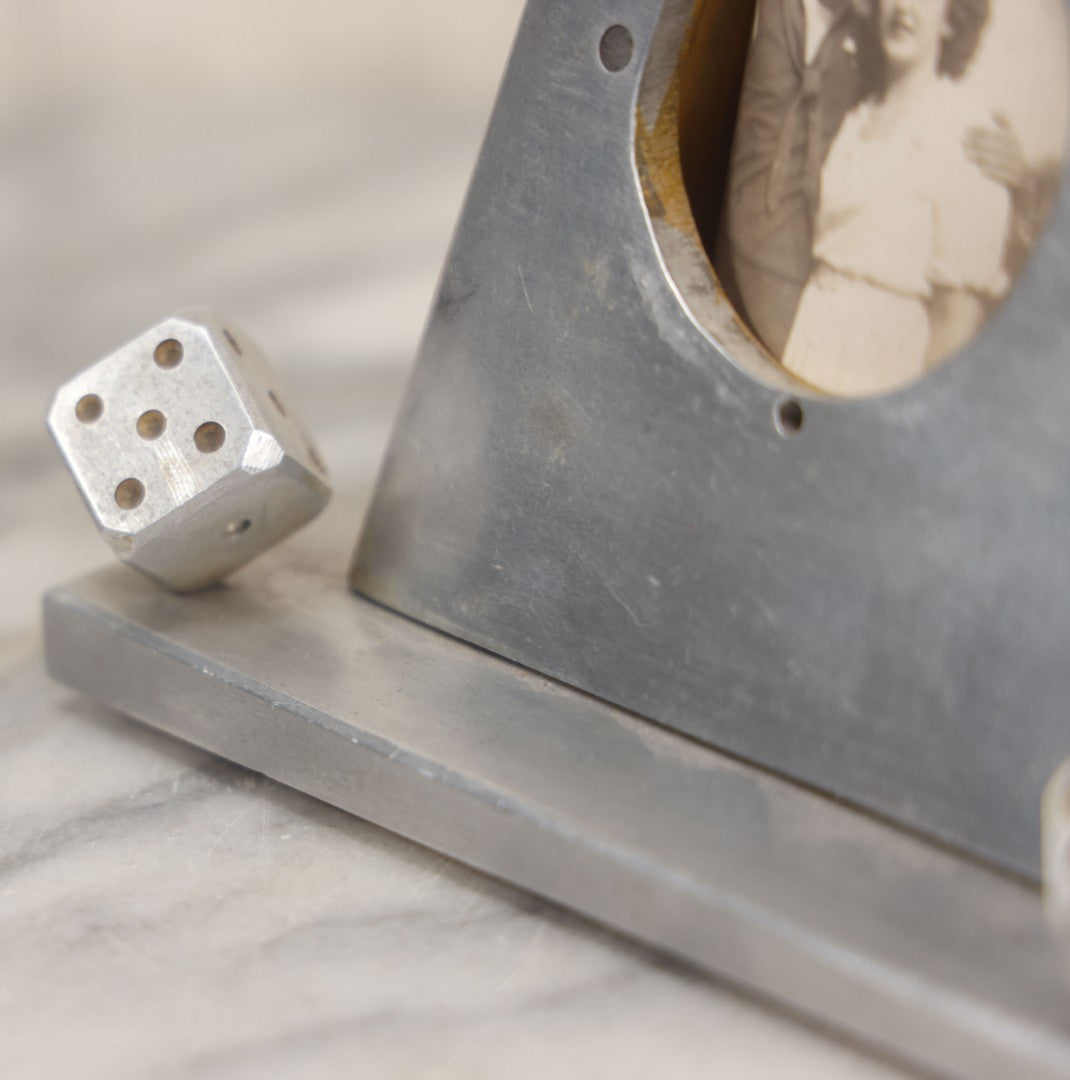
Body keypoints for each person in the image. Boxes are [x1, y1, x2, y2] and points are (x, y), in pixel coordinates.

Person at [717, 0, 1024, 365]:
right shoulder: (855, 114)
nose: (903, 7)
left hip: (886, 353)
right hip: (808, 333)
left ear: (952, 19)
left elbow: (955, 319)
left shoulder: (970, 137)